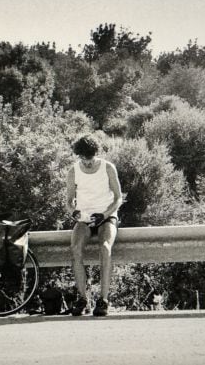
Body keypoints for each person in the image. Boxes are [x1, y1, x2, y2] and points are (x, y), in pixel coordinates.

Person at [66, 135, 122, 317]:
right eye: (83, 158)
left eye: (90, 158)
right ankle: (83, 299)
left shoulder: (107, 168)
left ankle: (103, 300)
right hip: (84, 218)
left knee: (105, 248)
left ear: (95, 154)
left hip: (106, 216)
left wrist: (104, 215)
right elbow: (68, 201)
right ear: (78, 155)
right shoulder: (73, 171)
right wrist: (73, 211)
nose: (87, 163)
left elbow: (118, 198)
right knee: (75, 250)